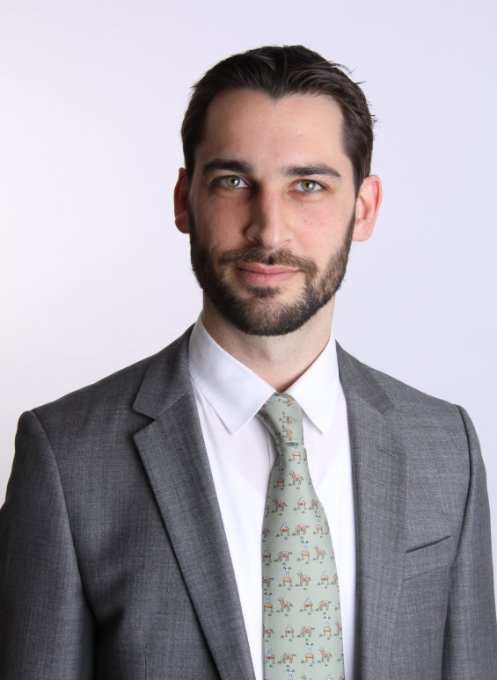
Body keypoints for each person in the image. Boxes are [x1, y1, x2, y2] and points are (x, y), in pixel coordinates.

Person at [0, 44, 496, 680]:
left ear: (364, 208)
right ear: (184, 200)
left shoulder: (446, 448)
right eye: (233, 182)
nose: (269, 230)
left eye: (308, 185)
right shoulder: (67, 457)